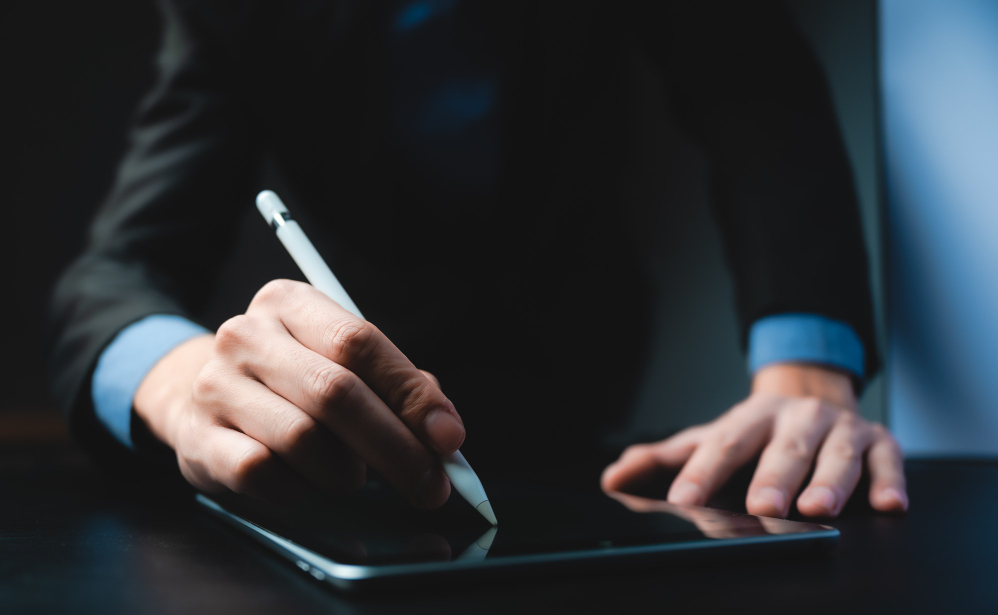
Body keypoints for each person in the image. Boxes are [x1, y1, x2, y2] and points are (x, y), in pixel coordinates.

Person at [49, 0, 906, 519]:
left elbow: (753, 87)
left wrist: (805, 380)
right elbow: (118, 268)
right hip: (348, 436)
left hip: (579, 384)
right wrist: (180, 382)